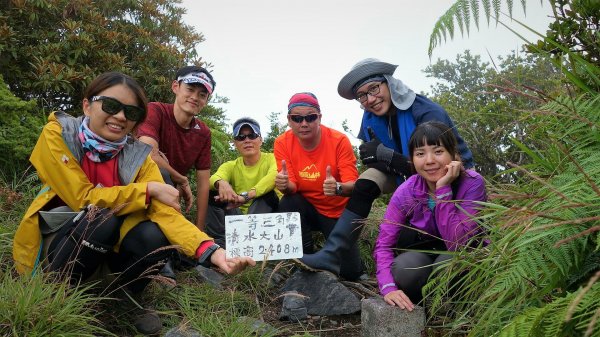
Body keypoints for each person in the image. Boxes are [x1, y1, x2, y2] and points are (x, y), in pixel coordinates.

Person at [12, 72, 255, 335]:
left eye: (130, 112)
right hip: (60, 243)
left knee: (157, 232)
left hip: (107, 248)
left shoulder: (137, 157)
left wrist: (212, 251)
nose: (120, 117)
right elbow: (82, 198)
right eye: (111, 106)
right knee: (103, 215)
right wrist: (148, 189)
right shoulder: (59, 133)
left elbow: (166, 214)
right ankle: (59, 295)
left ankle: (117, 297)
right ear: (87, 105)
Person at [298, 58, 474, 280]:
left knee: (410, 236)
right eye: (362, 96)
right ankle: (331, 253)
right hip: (402, 172)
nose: (370, 99)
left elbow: (438, 165)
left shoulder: (425, 111)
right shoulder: (370, 117)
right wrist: (379, 157)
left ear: (388, 83)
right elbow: (371, 158)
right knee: (365, 183)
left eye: (374, 89)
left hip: (449, 177)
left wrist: (386, 155)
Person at [373, 121, 486, 310]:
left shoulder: (472, 183)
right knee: (405, 269)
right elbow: (384, 244)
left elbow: (458, 243)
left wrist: (443, 189)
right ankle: (425, 309)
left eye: (438, 151)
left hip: (462, 252)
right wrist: (388, 287)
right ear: (412, 159)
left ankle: (457, 311)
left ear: (453, 154)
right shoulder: (406, 191)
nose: (429, 160)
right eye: (420, 154)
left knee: (448, 265)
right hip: (423, 251)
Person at [274, 92, 360, 278]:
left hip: (336, 212)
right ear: (289, 120)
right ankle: (304, 256)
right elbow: (292, 186)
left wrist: (338, 188)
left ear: (319, 117)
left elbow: (353, 184)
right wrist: (283, 185)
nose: (303, 124)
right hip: (307, 208)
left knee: (351, 272)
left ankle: (330, 252)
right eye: (297, 118)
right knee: (289, 201)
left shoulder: (339, 141)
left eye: (310, 117)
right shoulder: (282, 142)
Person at [136, 65, 216, 230]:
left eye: (202, 95)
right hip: (140, 188)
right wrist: (181, 178)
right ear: (175, 87)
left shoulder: (203, 133)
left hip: (171, 196)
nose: (195, 97)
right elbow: (148, 153)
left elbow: (203, 184)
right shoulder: (155, 110)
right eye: (190, 89)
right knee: (162, 171)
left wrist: (199, 230)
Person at [206, 117, 279, 247]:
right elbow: (213, 178)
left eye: (252, 136)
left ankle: (255, 243)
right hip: (238, 217)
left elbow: (274, 176)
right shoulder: (230, 166)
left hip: (266, 218)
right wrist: (221, 183)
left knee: (267, 195)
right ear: (235, 143)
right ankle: (219, 245)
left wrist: (246, 196)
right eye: (241, 137)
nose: (247, 141)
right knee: (211, 193)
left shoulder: (272, 158)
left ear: (260, 140)